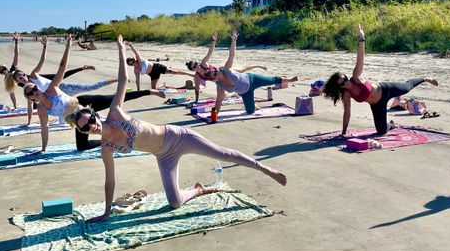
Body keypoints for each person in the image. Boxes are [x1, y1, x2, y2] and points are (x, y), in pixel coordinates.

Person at [66, 35, 287, 223]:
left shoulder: (115, 113)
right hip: (163, 156)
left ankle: (265, 169)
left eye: (91, 121)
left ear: (95, 115)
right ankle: (199, 189)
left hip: (178, 137)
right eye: (86, 128)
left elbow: (124, 80)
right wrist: (106, 213)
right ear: (83, 132)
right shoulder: (107, 145)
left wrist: (122, 51)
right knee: (174, 203)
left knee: (224, 153)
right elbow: (110, 180)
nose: (92, 127)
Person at [23, 35, 165, 152]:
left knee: (116, 99)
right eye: (30, 93)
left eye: (34, 88)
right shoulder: (41, 110)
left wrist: (68, 46)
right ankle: (108, 140)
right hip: (80, 122)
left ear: (37, 87)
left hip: (85, 103)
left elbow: (62, 68)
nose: (34, 92)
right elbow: (44, 129)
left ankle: (149, 91)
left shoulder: (52, 89)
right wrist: (43, 149)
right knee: (81, 147)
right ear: (30, 98)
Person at [322, 25, 439, 137]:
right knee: (381, 130)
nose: (346, 82)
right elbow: (347, 112)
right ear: (340, 87)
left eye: (345, 79)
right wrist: (343, 132)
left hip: (385, 89)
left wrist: (362, 39)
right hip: (377, 104)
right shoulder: (347, 94)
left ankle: (425, 78)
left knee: (407, 87)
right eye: (343, 83)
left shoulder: (355, 78)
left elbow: (360, 58)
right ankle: (391, 125)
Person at [11, 36, 116, 126]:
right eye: (20, 78)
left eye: (23, 74)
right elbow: (30, 107)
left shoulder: (33, 76)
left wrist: (45, 46)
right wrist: (29, 122)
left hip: (62, 89)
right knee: (67, 121)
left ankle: (116, 80)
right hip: (58, 104)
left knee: (91, 87)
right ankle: (94, 116)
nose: (23, 77)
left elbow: (43, 61)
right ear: (17, 81)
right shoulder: (30, 92)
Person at [201, 30, 297, 114]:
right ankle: (254, 105)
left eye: (216, 70)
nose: (217, 71)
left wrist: (234, 40)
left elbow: (231, 55)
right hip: (245, 92)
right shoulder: (220, 86)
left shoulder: (226, 69)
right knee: (250, 111)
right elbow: (219, 101)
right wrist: (215, 114)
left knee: (272, 80)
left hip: (252, 79)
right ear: (215, 78)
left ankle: (289, 79)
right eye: (215, 73)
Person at [185, 32, 269, 102]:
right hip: (219, 82)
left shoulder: (203, 64)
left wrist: (213, 41)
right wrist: (196, 100)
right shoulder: (197, 76)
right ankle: (240, 94)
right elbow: (196, 88)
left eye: (196, 64)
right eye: (194, 67)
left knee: (242, 70)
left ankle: (259, 66)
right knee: (225, 95)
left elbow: (210, 52)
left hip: (225, 71)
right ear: (193, 70)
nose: (196, 66)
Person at [126, 42, 193, 90]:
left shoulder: (140, 60)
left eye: (133, 61)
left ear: (134, 59)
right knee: (154, 88)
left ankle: (190, 74)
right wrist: (138, 90)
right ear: (130, 65)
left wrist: (130, 45)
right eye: (131, 63)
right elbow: (137, 80)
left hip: (157, 67)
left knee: (174, 71)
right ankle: (163, 85)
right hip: (152, 74)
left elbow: (135, 52)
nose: (133, 63)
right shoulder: (136, 70)